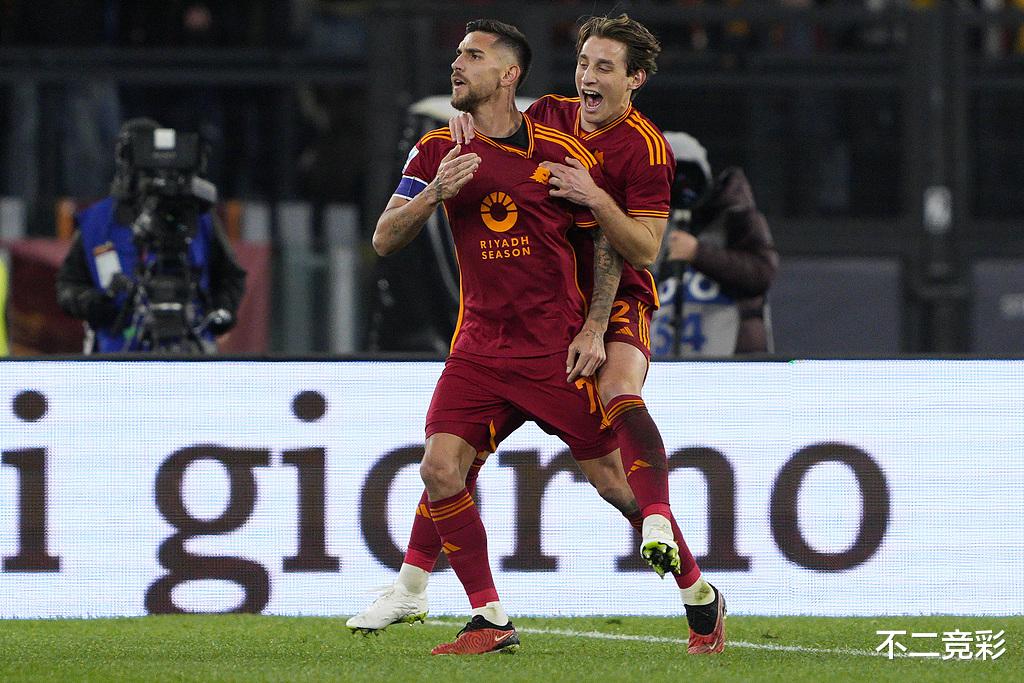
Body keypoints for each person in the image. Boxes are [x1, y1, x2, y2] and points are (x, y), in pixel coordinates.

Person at [358, 14, 726, 656]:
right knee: (443, 467)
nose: (587, 75)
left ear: (635, 79)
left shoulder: (636, 149)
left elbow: (635, 249)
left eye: (604, 66)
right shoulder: (509, 129)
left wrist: (593, 321)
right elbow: (387, 235)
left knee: (614, 457)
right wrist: (440, 181)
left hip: (578, 325)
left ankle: (686, 571)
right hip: (479, 348)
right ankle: (470, 609)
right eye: (583, 62)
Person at [56, 118, 247, 353]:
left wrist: (220, 311)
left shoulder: (197, 215)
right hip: (118, 354)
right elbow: (69, 284)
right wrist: (92, 303)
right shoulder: (96, 222)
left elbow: (231, 275)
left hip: (190, 346)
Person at [652, 131, 779, 357]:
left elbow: (762, 272)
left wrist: (697, 253)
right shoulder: (646, 223)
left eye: (684, 176)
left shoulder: (735, 214)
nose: (677, 186)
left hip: (732, 362)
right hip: (664, 363)